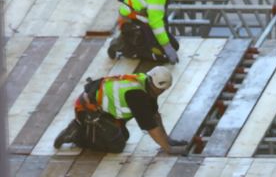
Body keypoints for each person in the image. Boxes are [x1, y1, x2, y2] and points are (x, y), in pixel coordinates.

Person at [53, 66, 188, 155]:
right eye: (162, 89)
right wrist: (168, 149)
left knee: (123, 136)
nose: (162, 92)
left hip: (103, 111)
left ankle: (88, 130)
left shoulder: (147, 84)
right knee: (117, 147)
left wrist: (167, 140)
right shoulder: (137, 95)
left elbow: (154, 116)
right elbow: (151, 127)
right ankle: (76, 133)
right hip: (88, 110)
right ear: (156, 85)